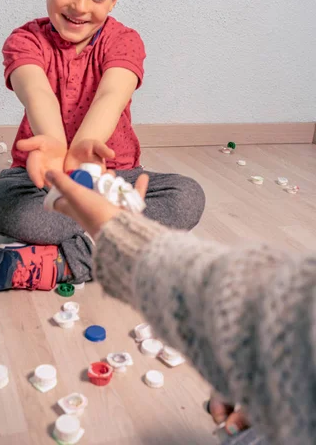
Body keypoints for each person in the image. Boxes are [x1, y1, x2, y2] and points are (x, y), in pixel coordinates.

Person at [0, 0, 205, 295]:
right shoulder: (24, 41)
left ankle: (67, 262)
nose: (80, 7)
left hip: (112, 179)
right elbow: (36, 90)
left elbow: (112, 94)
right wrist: (55, 143)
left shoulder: (125, 41)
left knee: (188, 197)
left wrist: (85, 150)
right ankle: (120, 247)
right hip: (42, 179)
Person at [43, 168, 316, 445]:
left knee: (188, 196)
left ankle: (59, 260)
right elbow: (274, 313)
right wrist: (273, 381)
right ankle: (70, 256)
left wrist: (118, 231)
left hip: (118, 198)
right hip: (56, 193)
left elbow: (253, 306)